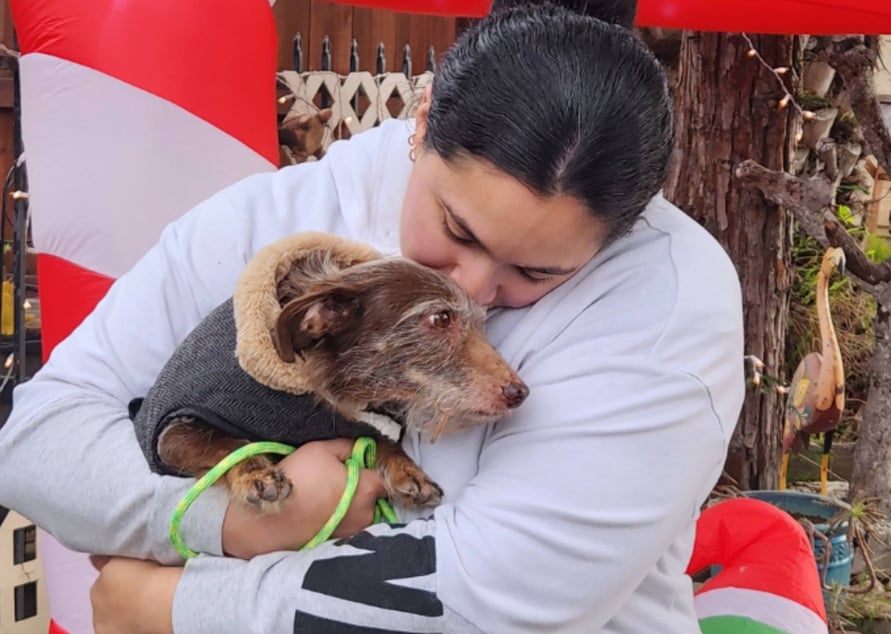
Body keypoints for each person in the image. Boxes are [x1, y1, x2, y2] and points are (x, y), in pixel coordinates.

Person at [0, 2, 745, 632]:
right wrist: (231, 520)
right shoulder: (272, 218)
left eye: (536, 272)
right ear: (423, 120)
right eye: (456, 231)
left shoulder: (664, 306)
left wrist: (175, 605)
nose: (479, 290)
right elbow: (38, 445)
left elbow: (496, 596)